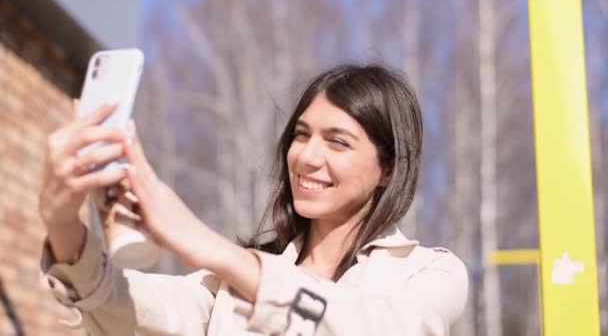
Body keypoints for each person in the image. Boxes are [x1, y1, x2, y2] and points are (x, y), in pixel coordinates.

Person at [38, 64, 468, 335]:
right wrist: (62, 223)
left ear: (389, 168)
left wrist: (205, 244)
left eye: (337, 142)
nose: (307, 157)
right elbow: (124, 310)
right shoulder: (228, 286)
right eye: (301, 135)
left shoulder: (427, 274)